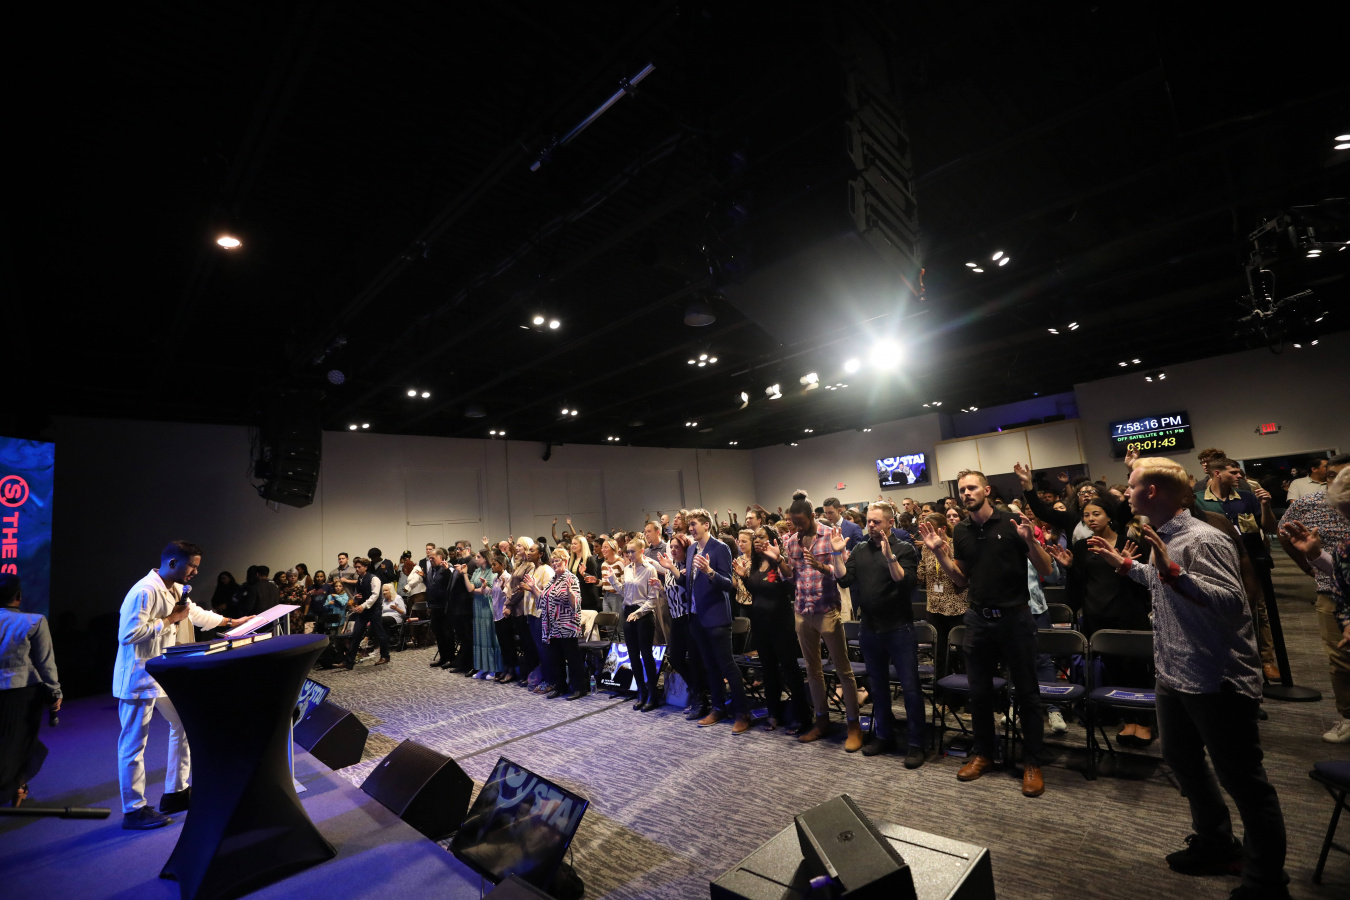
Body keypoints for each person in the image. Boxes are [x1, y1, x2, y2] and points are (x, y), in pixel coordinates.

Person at [1092, 456, 1288, 898]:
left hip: (1216, 678)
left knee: (1244, 783)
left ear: (1152, 492)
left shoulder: (1203, 539)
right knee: (1183, 762)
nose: (1125, 492)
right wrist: (1126, 565)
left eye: (1131, 485)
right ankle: (1216, 843)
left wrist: (1173, 573)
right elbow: (1165, 582)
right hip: (1174, 672)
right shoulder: (1161, 536)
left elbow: (1232, 602)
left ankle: (1266, 882)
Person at [919, 470, 1053, 798]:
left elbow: (1047, 568)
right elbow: (960, 580)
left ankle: (1032, 762)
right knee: (978, 693)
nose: (966, 493)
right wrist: (939, 553)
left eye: (972, 487)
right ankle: (984, 754)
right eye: (962, 489)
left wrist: (1031, 541)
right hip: (978, 620)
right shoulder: (961, 530)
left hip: (1015, 618)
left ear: (987, 490)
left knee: (1027, 693)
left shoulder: (1012, 522)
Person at [115, 541, 254, 829]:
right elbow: (128, 635)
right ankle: (133, 810)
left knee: (185, 723)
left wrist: (232, 622)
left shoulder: (176, 588)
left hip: (163, 673)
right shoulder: (144, 590)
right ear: (173, 563)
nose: (196, 572)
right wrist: (169, 620)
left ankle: (176, 793)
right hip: (139, 676)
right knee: (134, 742)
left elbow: (195, 613)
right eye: (192, 566)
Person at [1046, 494, 1154, 741]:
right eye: (1086, 515)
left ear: (1109, 516)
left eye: (1096, 514)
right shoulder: (1082, 546)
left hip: (1128, 614)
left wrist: (1126, 564)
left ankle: (1144, 722)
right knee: (1114, 670)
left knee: (1136, 668)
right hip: (1098, 615)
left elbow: (1142, 583)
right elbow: (1080, 585)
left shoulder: (1128, 542)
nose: (1091, 519)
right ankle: (1128, 720)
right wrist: (1069, 568)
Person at [830, 503, 924, 766]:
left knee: (910, 688)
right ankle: (884, 735)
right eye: (869, 521)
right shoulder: (860, 549)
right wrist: (837, 555)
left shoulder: (904, 548)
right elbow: (844, 579)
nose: (870, 525)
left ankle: (917, 743)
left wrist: (890, 557)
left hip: (899, 628)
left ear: (890, 523)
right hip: (870, 628)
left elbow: (905, 581)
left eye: (876, 522)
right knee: (878, 687)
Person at [1278, 453, 1350, 743]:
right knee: (1341, 660)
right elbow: (1284, 533)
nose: (1339, 486)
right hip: (1333, 594)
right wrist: (1313, 560)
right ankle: (1348, 716)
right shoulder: (1309, 503)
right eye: (1333, 477)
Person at [781, 492, 862, 750]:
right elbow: (792, 577)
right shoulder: (792, 541)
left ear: (812, 516)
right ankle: (822, 720)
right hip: (802, 610)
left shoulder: (830, 535)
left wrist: (821, 567)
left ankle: (853, 725)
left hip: (827, 609)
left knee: (843, 670)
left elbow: (843, 574)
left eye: (801, 521)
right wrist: (779, 562)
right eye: (794, 522)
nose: (797, 526)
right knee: (812, 670)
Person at [682, 508, 752, 733]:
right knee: (709, 665)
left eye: (694, 524)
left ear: (706, 525)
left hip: (716, 616)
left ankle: (742, 713)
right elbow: (691, 583)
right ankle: (718, 708)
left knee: (726, 665)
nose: (691, 528)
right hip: (696, 616)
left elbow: (729, 584)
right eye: (689, 525)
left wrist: (710, 572)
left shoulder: (720, 548)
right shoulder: (691, 549)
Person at [0, 574, 61, 807]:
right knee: (22, 745)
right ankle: (17, 786)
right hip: (22, 695)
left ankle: (16, 788)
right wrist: (55, 692)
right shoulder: (33, 621)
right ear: (19, 596)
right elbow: (45, 663)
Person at [654, 533, 710, 720]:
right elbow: (672, 594)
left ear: (685, 549)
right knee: (675, 658)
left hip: (690, 618)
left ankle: (700, 699)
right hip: (676, 618)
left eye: (676, 547)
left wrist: (670, 567)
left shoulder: (689, 566)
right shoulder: (671, 567)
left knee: (695, 660)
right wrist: (660, 589)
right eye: (671, 547)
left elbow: (685, 587)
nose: (673, 550)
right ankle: (696, 689)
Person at [524, 547, 587, 701]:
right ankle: (560, 686)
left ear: (565, 561)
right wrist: (533, 587)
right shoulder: (553, 580)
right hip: (552, 626)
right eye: (552, 561)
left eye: (557, 560)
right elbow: (543, 600)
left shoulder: (571, 578)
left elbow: (576, 605)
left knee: (572, 658)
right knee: (556, 657)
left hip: (566, 625)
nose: (554, 564)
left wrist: (571, 595)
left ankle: (579, 688)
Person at [610, 537, 664, 711]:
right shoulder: (627, 569)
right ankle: (641, 691)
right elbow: (625, 593)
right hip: (628, 613)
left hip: (644, 614)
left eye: (633, 551)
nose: (630, 555)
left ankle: (652, 694)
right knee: (633, 655)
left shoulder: (650, 569)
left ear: (642, 551)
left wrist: (638, 612)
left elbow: (653, 598)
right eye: (628, 552)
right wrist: (613, 580)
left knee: (646, 655)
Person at [918, 513, 969, 682]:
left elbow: (962, 577)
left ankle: (966, 691)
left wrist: (945, 556)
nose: (927, 533)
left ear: (943, 529)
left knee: (963, 653)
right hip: (935, 607)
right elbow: (921, 573)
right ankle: (942, 692)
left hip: (958, 606)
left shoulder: (956, 545)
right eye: (924, 530)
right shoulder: (926, 548)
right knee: (939, 654)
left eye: (930, 529)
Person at [342, 557, 390, 669]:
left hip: (374, 610)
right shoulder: (359, 580)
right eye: (356, 567)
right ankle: (349, 662)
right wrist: (356, 598)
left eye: (359, 567)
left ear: (366, 567)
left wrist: (362, 605)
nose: (357, 569)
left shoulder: (374, 579)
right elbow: (357, 595)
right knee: (356, 634)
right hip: (363, 611)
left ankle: (385, 656)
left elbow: (375, 595)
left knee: (379, 633)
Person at [469, 551, 502, 678]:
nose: (476, 558)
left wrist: (478, 589)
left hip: (487, 605)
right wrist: (465, 574)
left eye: (479, 557)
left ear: (485, 558)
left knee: (489, 636)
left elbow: (486, 591)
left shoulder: (491, 571)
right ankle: (483, 667)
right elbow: (470, 588)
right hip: (477, 605)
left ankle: (493, 668)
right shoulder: (477, 571)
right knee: (480, 636)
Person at [488, 553, 519, 682]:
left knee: (509, 644)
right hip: (497, 615)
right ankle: (505, 668)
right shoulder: (496, 578)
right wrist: (486, 588)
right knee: (502, 644)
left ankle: (512, 671)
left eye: (494, 565)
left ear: (501, 565)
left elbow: (511, 596)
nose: (492, 567)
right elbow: (494, 595)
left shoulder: (508, 578)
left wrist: (503, 588)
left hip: (505, 615)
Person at [446, 552, 476, 674]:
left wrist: (464, 573)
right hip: (457, 606)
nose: (458, 551)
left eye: (460, 548)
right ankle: (462, 663)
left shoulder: (472, 563)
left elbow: (472, 581)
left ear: (467, 549)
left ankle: (468, 664)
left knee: (468, 637)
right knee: (462, 637)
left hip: (466, 607)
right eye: (457, 548)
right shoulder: (458, 563)